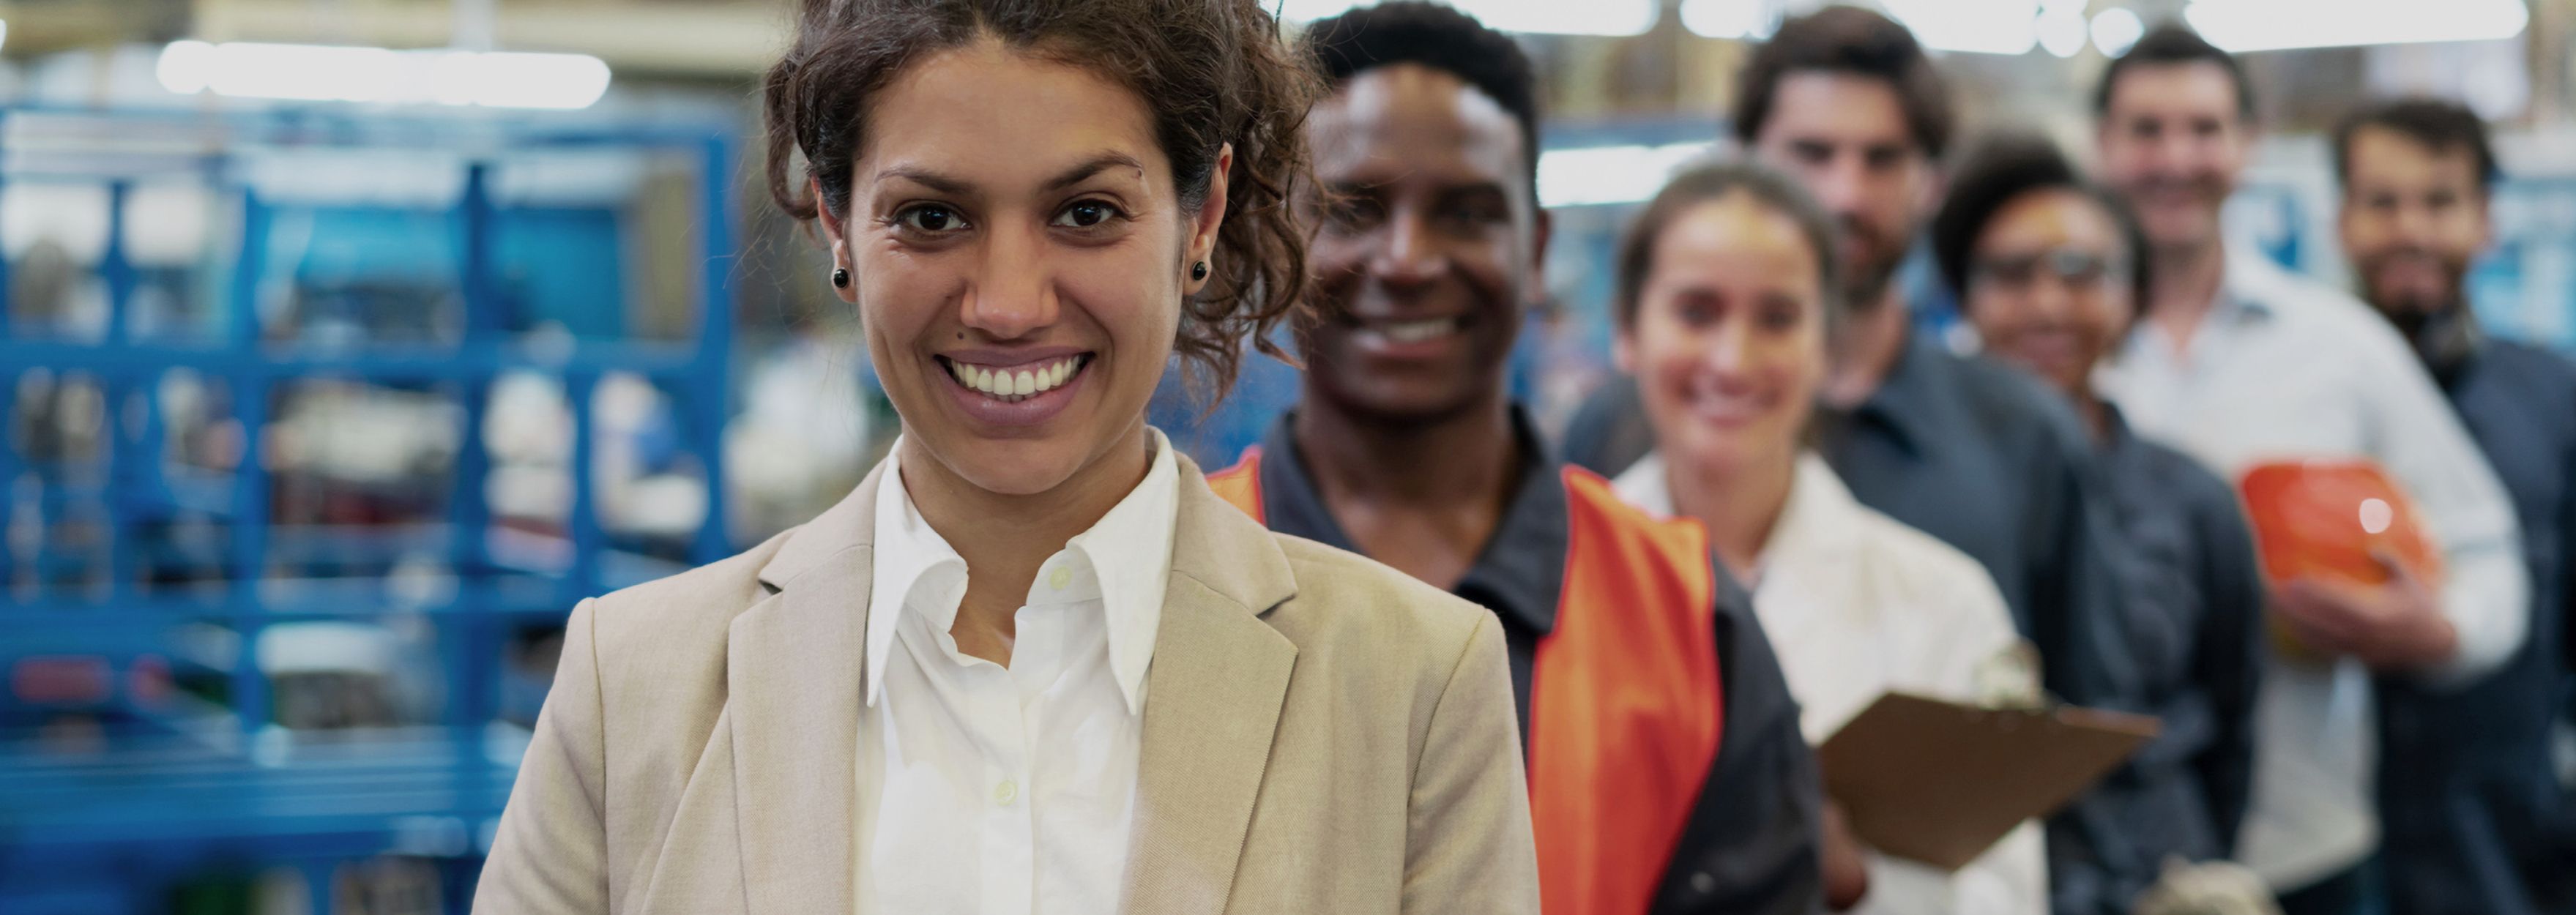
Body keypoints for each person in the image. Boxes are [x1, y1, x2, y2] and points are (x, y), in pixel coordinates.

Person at [474, 1, 1541, 912]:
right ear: (838, 224)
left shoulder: (1414, 685)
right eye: (932, 217)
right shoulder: (636, 686)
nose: (1009, 304)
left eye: (1087, 213)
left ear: (1200, 214)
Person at [1204, 5, 1823, 914]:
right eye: (1355, 208)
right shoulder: (1179, 572)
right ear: (1276, 240)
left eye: (1466, 212)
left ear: (1535, 249)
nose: (1408, 258)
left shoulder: (1687, 616)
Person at [2090, 25, 2531, 915]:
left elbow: (2488, 551)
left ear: (2248, 146)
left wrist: (2436, 629)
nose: (2176, 157)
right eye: (2146, 130)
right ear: (2101, 145)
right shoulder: (2046, 349)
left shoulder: (2341, 349)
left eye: (2204, 129)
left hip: (2301, 838)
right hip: (2094, 842)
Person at [1605, 159, 2046, 914]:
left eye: (1777, 317)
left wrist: (1858, 879)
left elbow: (2011, 892)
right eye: (1696, 311)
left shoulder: (1941, 600)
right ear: (1627, 332)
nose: (1732, 358)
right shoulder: (1553, 584)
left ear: (1825, 345)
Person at [2330, 97, 2576, 915]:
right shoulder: (2304, 404)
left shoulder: (2553, 400)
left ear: (2485, 221)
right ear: (2342, 221)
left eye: (2440, 200)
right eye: (2382, 201)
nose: (2410, 228)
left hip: (2512, 861)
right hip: (2337, 854)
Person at [1929, 132, 2268, 903]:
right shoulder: (1919, 495)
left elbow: (2232, 714)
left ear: (2134, 294)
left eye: (2082, 272)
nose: (2048, 303)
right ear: (1963, 293)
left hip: (2150, 868)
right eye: (2011, 274)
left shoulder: (2193, 499)